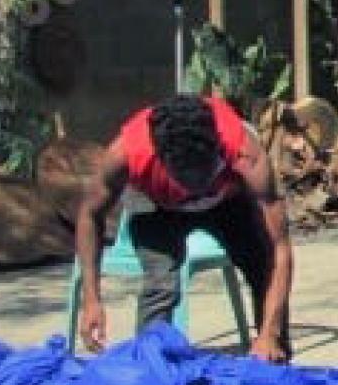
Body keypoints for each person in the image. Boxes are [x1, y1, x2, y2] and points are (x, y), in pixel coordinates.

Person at [76, 94, 294, 363]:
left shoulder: (244, 151)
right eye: (186, 179)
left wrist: (270, 333)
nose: (196, 190)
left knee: (261, 265)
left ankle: (275, 364)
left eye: (205, 175)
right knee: (161, 285)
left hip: (228, 202)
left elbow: (280, 247)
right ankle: (150, 369)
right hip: (156, 209)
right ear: (162, 158)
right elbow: (89, 215)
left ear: (217, 150)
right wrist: (91, 300)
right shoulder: (126, 154)